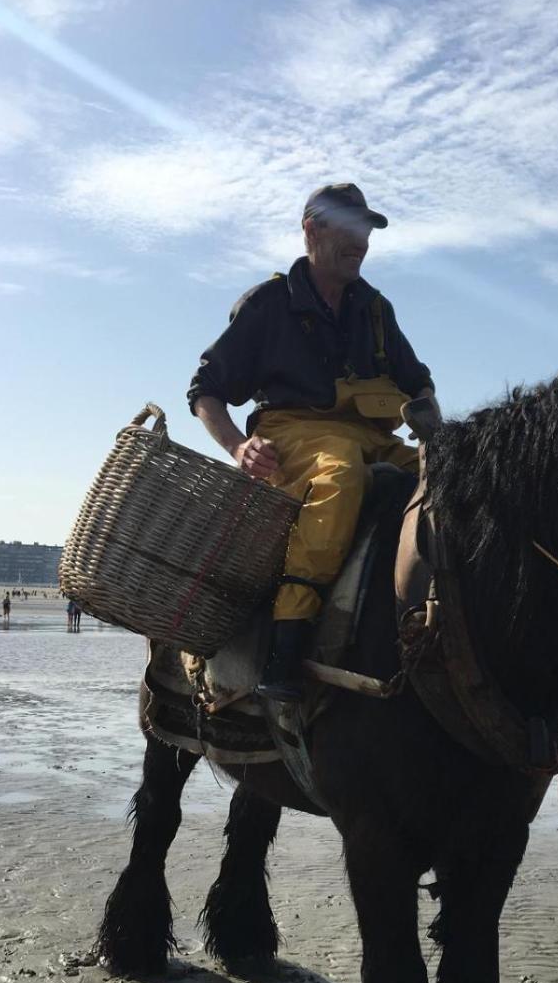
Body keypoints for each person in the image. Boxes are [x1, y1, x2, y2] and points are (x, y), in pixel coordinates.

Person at [187, 183, 438, 700]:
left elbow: (419, 383)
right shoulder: (268, 303)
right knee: (341, 471)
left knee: (445, 479)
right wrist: (238, 447)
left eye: (366, 231)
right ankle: (287, 642)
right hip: (292, 432)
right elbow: (205, 390)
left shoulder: (376, 309)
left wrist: (436, 436)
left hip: (372, 434)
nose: (361, 243)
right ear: (312, 230)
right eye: (350, 229)